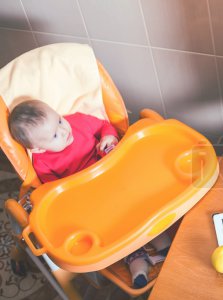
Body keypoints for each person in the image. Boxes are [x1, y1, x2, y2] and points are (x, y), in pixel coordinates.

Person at [8, 99, 170, 288]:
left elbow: (103, 126)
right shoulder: (42, 163)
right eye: (54, 136)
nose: (64, 130)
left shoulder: (77, 121)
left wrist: (108, 137)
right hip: (89, 198)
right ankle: (135, 260)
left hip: (114, 174)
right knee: (113, 227)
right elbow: (58, 191)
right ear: (38, 148)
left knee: (138, 205)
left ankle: (160, 238)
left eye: (59, 120)